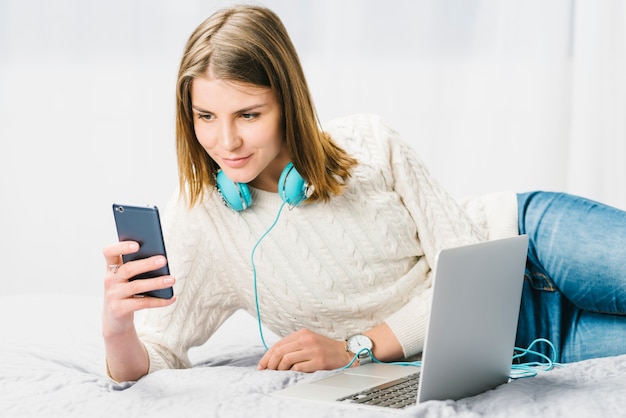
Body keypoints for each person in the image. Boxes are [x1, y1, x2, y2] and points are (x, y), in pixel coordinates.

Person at [102, 5, 626, 383]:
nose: (226, 141)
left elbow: (475, 274)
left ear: (288, 103)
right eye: (206, 117)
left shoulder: (369, 142)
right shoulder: (201, 222)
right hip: (525, 344)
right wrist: (117, 329)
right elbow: (157, 354)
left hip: (531, 241)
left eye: (249, 115)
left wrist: (357, 348)